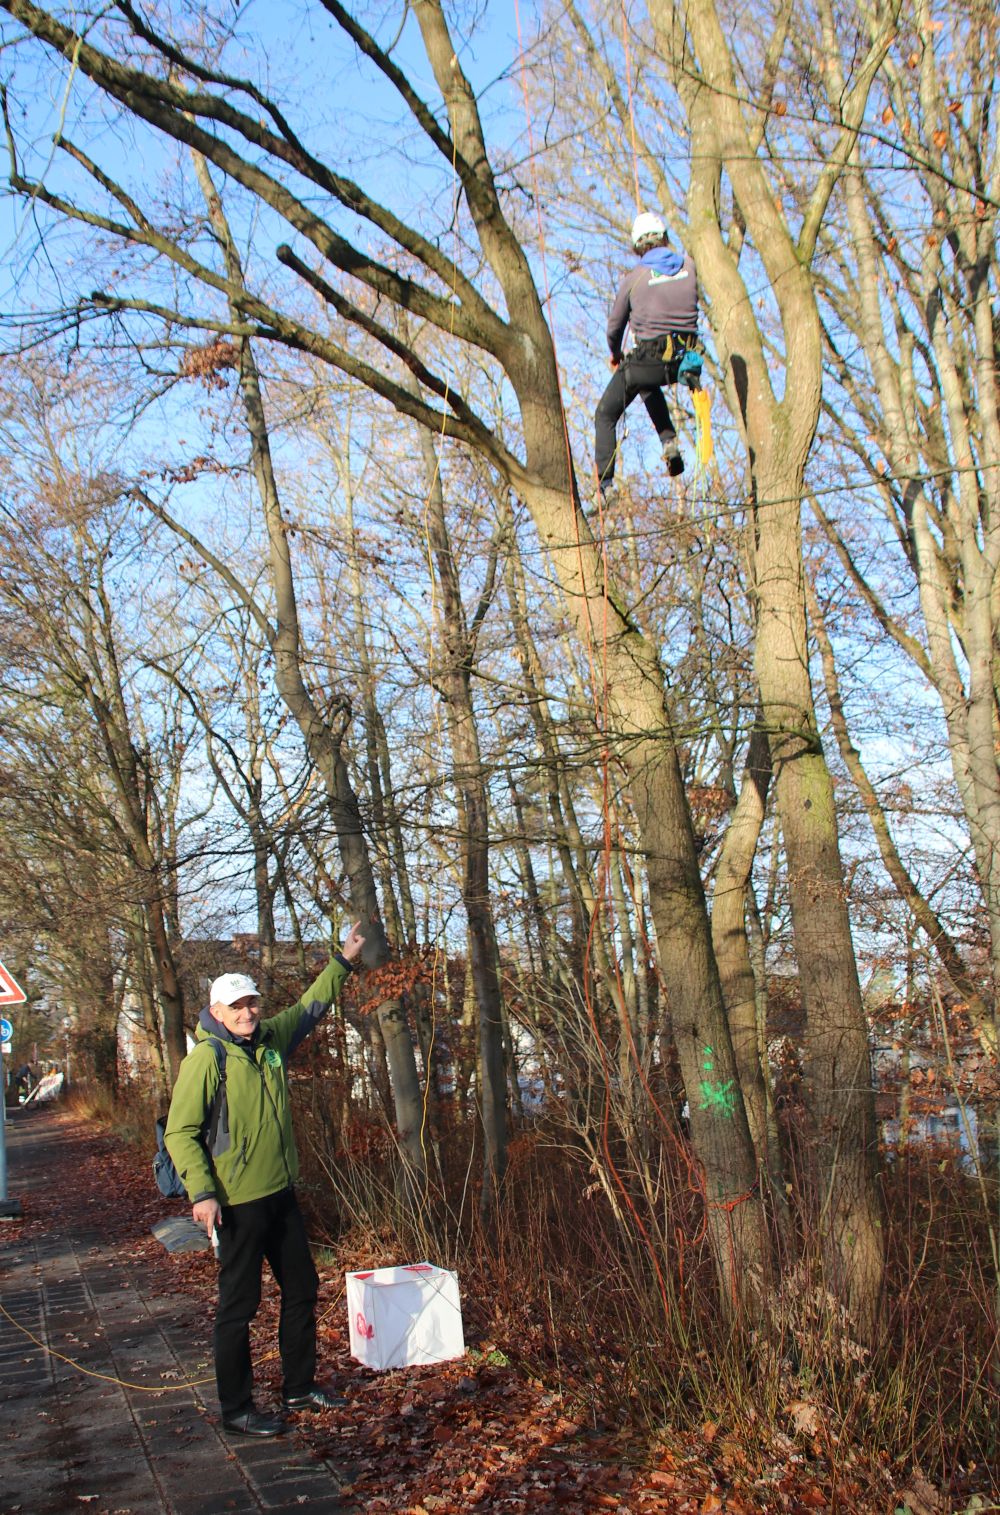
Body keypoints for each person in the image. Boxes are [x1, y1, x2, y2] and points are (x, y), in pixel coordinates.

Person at [164, 922, 366, 1437]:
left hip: (280, 1193)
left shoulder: (270, 1039)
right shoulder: (207, 1059)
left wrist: (343, 960)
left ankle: (299, 1388)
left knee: (302, 1287)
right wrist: (203, 1194)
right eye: (237, 1006)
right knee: (239, 1306)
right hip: (236, 1202)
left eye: (252, 1002)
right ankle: (236, 1409)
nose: (248, 1012)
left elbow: (310, 1007)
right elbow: (180, 1132)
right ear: (217, 1013)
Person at [594, 211, 700, 507]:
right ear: (665, 238)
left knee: (605, 413)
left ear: (638, 247)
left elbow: (614, 329)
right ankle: (670, 443)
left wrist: (615, 355)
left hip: (650, 358)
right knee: (644, 378)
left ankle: (606, 487)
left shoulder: (634, 278)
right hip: (685, 357)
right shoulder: (690, 266)